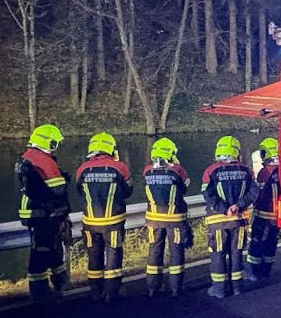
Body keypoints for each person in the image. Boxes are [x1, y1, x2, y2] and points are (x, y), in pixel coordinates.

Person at [75, 132, 132, 302]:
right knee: (113, 254)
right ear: (111, 149)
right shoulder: (120, 167)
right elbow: (128, 191)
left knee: (94, 256)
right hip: (113, 222)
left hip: (90, 222)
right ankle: (111, 292)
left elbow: (79, 191)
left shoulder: (82, 169)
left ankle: (95, 292)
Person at [16, 124, 72, 299]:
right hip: (45, 214)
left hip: (35, 213)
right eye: (54, 143)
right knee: (43, 251)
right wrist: (64, 180)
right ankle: (43, 289)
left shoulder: (27, 157)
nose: (56, 147)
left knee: (48, 249)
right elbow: (58, 190)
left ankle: (53, 285)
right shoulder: (42, 161)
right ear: (46, 142)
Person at [201, 136, 257, 298]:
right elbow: (253, 192)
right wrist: (238, 206)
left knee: (218, 254)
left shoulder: (211, 171)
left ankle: (219, 289)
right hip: (238, 221)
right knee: (236, 253)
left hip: (218, 221)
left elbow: (208, 194)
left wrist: (225, 209)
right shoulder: (246, 170)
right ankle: (237, 287)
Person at [143, 138, 191, 297]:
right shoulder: (178, 170)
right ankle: (176, 288)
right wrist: (176, 165)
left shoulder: (147, 171)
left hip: (153, 219)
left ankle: (152, 287)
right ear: (170, 154)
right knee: (176, 252)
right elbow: (185, 186)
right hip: (174, 219)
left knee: (154, 251)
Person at [246, 138, 281, 281]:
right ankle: (266, 271)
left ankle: (255, 273)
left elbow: (259, 195)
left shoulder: (264, 172)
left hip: (263, 215)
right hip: (278, 216)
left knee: (256, 242)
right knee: (271, 244)